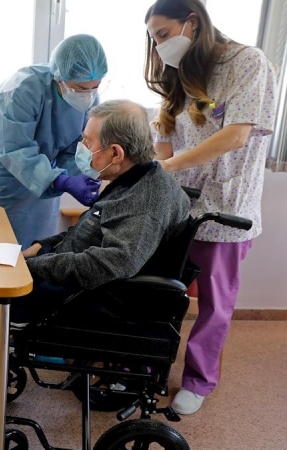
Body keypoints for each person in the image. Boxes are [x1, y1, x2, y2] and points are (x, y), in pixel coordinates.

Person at [0, 100, 191, 423]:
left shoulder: (145, 200)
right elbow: (87, 233)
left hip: (85, 299)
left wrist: (34, 268)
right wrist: (41, 247)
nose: (81, 148)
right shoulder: (133, 180)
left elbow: (114, 263)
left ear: (116, 154)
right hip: (71, 279)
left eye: (88, 142)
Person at [144, 0, 277, 415]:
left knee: (215, 303)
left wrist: (167, 165)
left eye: (163, 34)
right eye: (153, 39)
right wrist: (159, 167)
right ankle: (145, 363)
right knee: (157, 290)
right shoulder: (181, 69)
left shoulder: (248, 64)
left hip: (226, 205)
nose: (160, 46)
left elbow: (236, 136)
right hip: (178, 205)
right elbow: (165, 125)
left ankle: (199, 381)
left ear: (193, 22)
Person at [0, 34, 108, 248]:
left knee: (38, 240)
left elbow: (77, 146)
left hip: (48, 169)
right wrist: (60, 180)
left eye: (95, 87)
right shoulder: (19, 90)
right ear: (59, 77)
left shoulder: (89, 97)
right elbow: (16, 150)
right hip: (3, 169)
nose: (88, 95)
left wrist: (79, 173)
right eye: (80, 89)